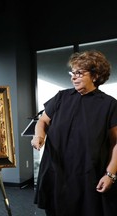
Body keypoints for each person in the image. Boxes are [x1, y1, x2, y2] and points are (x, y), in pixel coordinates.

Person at [31, 50, 117, 216]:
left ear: (95, 75)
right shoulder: (61, 97)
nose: (73, 77)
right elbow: (42, 121)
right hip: (56, 170)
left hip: (88, 174)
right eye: (73, 72)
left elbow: (116, 143)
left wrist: (111, 175)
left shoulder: (110, 105)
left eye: (79, 73)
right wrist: (39, 135)